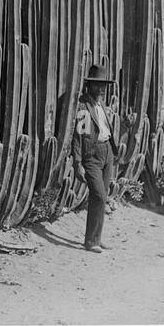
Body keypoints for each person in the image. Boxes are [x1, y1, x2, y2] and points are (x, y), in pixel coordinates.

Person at [71, 63, 119, 253]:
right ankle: (90, 242)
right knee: (98, 194)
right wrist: (78, 162)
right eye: (98, 85)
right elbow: (78, 135)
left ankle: (96, 238)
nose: (101, 89)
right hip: (91, 154)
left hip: (107, 151)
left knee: (103, 196)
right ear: (89, 85)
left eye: (104, 85)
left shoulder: (101, 105)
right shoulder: (84, 106)